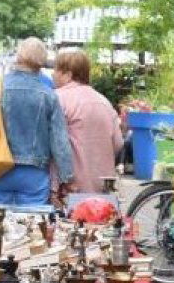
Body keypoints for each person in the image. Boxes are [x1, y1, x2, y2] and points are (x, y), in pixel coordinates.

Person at [0, 38, 73, 206]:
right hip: (34, 173)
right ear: (41, 63)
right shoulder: (48, 95)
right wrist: (66, 176)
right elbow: (59, 141)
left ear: (18, 56)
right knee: (31, 224)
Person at [51, 50, 122, 197]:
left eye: (56, 70)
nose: (53, 74)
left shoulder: (58, 98)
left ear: (68, 74)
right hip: (102, 184)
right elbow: (118, 143)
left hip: (70, 186)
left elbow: (54, 143)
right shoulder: (104, 102)